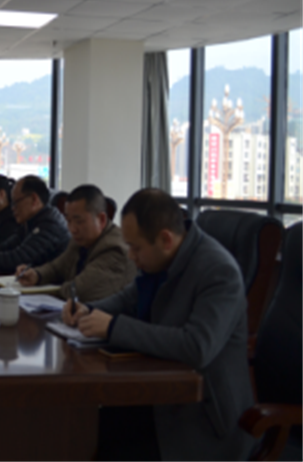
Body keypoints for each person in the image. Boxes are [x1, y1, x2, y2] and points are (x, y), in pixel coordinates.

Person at [62, 188, 254, 462]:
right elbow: (128, 299)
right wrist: (88, 309)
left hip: (201, 422)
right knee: (78, 431)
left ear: (165, 239)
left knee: (98, 446)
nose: (130, 256)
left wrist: (114, 327)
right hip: (159, 399)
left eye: (136, 247)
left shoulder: (219, 272)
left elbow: (196, 346)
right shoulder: (164, 259)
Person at [15, 184, 136, 301]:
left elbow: (79, 292)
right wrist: (36, 275)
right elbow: (57, 268)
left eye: (79, 221)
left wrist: (55, 289)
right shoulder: (81, 240)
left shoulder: (114, 249)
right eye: (68, 221)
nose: (72, 229)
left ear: (101, 219)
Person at [0, 175, 68, 274]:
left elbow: (17, 258)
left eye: (16, 202)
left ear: (34, 199)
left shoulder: (50, 223)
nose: (12, 208)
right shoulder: (30, 222)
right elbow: (5, 247)